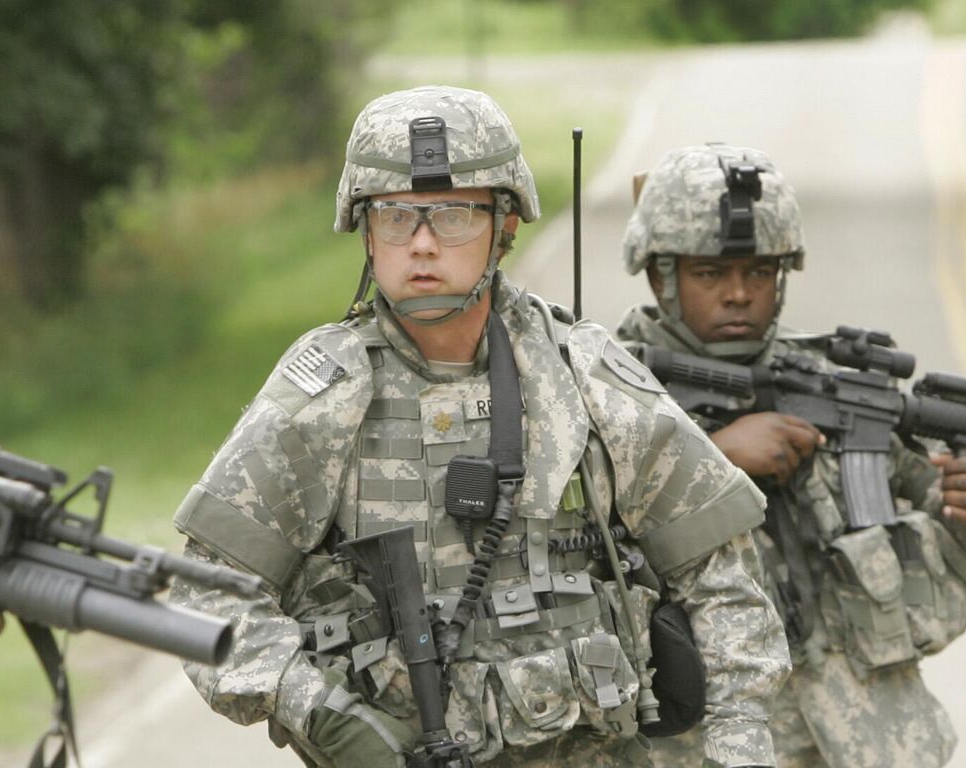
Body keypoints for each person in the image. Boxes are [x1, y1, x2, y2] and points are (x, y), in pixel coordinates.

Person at [168, 86, 790, 767]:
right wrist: (319, 709)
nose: (424, 244)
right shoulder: (321, 396)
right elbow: (205, 595)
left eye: (456, 214)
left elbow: (726, 585)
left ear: (505, 225)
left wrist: (738, 750)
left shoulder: (583, 374)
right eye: (397, 217)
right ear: (366, 231)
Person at [615, 143, 966, 768]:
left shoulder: (825, 380)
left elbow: (939, 497)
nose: (738, 294)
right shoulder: (609, 390)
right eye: (709, 274)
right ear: (659, 277)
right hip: (704, 744)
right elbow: (575, 543)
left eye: (759, 273)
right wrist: (715, 462)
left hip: (865, 738)